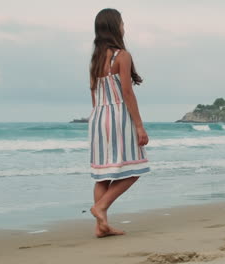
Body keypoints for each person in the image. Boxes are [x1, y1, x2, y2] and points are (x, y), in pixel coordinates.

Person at [88, 8, 150, 238]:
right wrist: (139, 125)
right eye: (122, 22)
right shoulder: (121, 55)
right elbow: (126, 92)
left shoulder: (95, 59)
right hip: (118, 117)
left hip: (97, 118)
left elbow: (93, 93)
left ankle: (101, 225)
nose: (124, 26)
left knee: (103, 173)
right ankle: (101, 207)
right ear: (115, 27)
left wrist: (98, 115)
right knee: (136, 168)